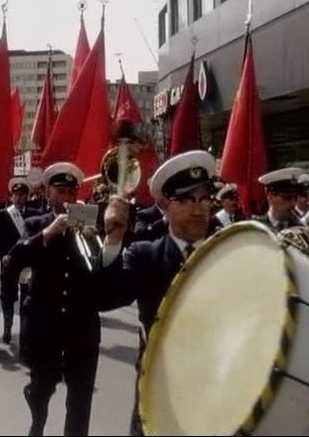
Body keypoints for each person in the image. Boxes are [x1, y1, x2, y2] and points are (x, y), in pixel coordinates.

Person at [95, 150, 219, 435]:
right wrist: (113, 238)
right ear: (165, 204)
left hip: (217, 386)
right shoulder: (146, 255)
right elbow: (104, 297)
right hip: (160, 386)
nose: (198, 209)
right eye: (187, 200)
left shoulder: (227, 251)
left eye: (204, 199)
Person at [7, 162, 111, 437]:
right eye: (61, 191)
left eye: (71, 192)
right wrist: (48, 233)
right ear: (48, 193)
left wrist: (109, 236)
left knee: (80, 398)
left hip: (81, 326)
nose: (67, 198)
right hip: (46, 325)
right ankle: (37, 423)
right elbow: (13, 262)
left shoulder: (90, 226)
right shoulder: (34, 223)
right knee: (41, 387)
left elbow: (103, 269)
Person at [0, 177, 40, 344]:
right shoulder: (3, 215)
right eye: (17, 194)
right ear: (11, 196)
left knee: (27, 300)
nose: (20, 198)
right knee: (7, 297)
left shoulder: (35, 214)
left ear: (27, 196)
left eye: (23, 194)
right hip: (10, 263)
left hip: (28, 265)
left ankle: (24, 331)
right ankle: (7, 327)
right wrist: (2, 257)